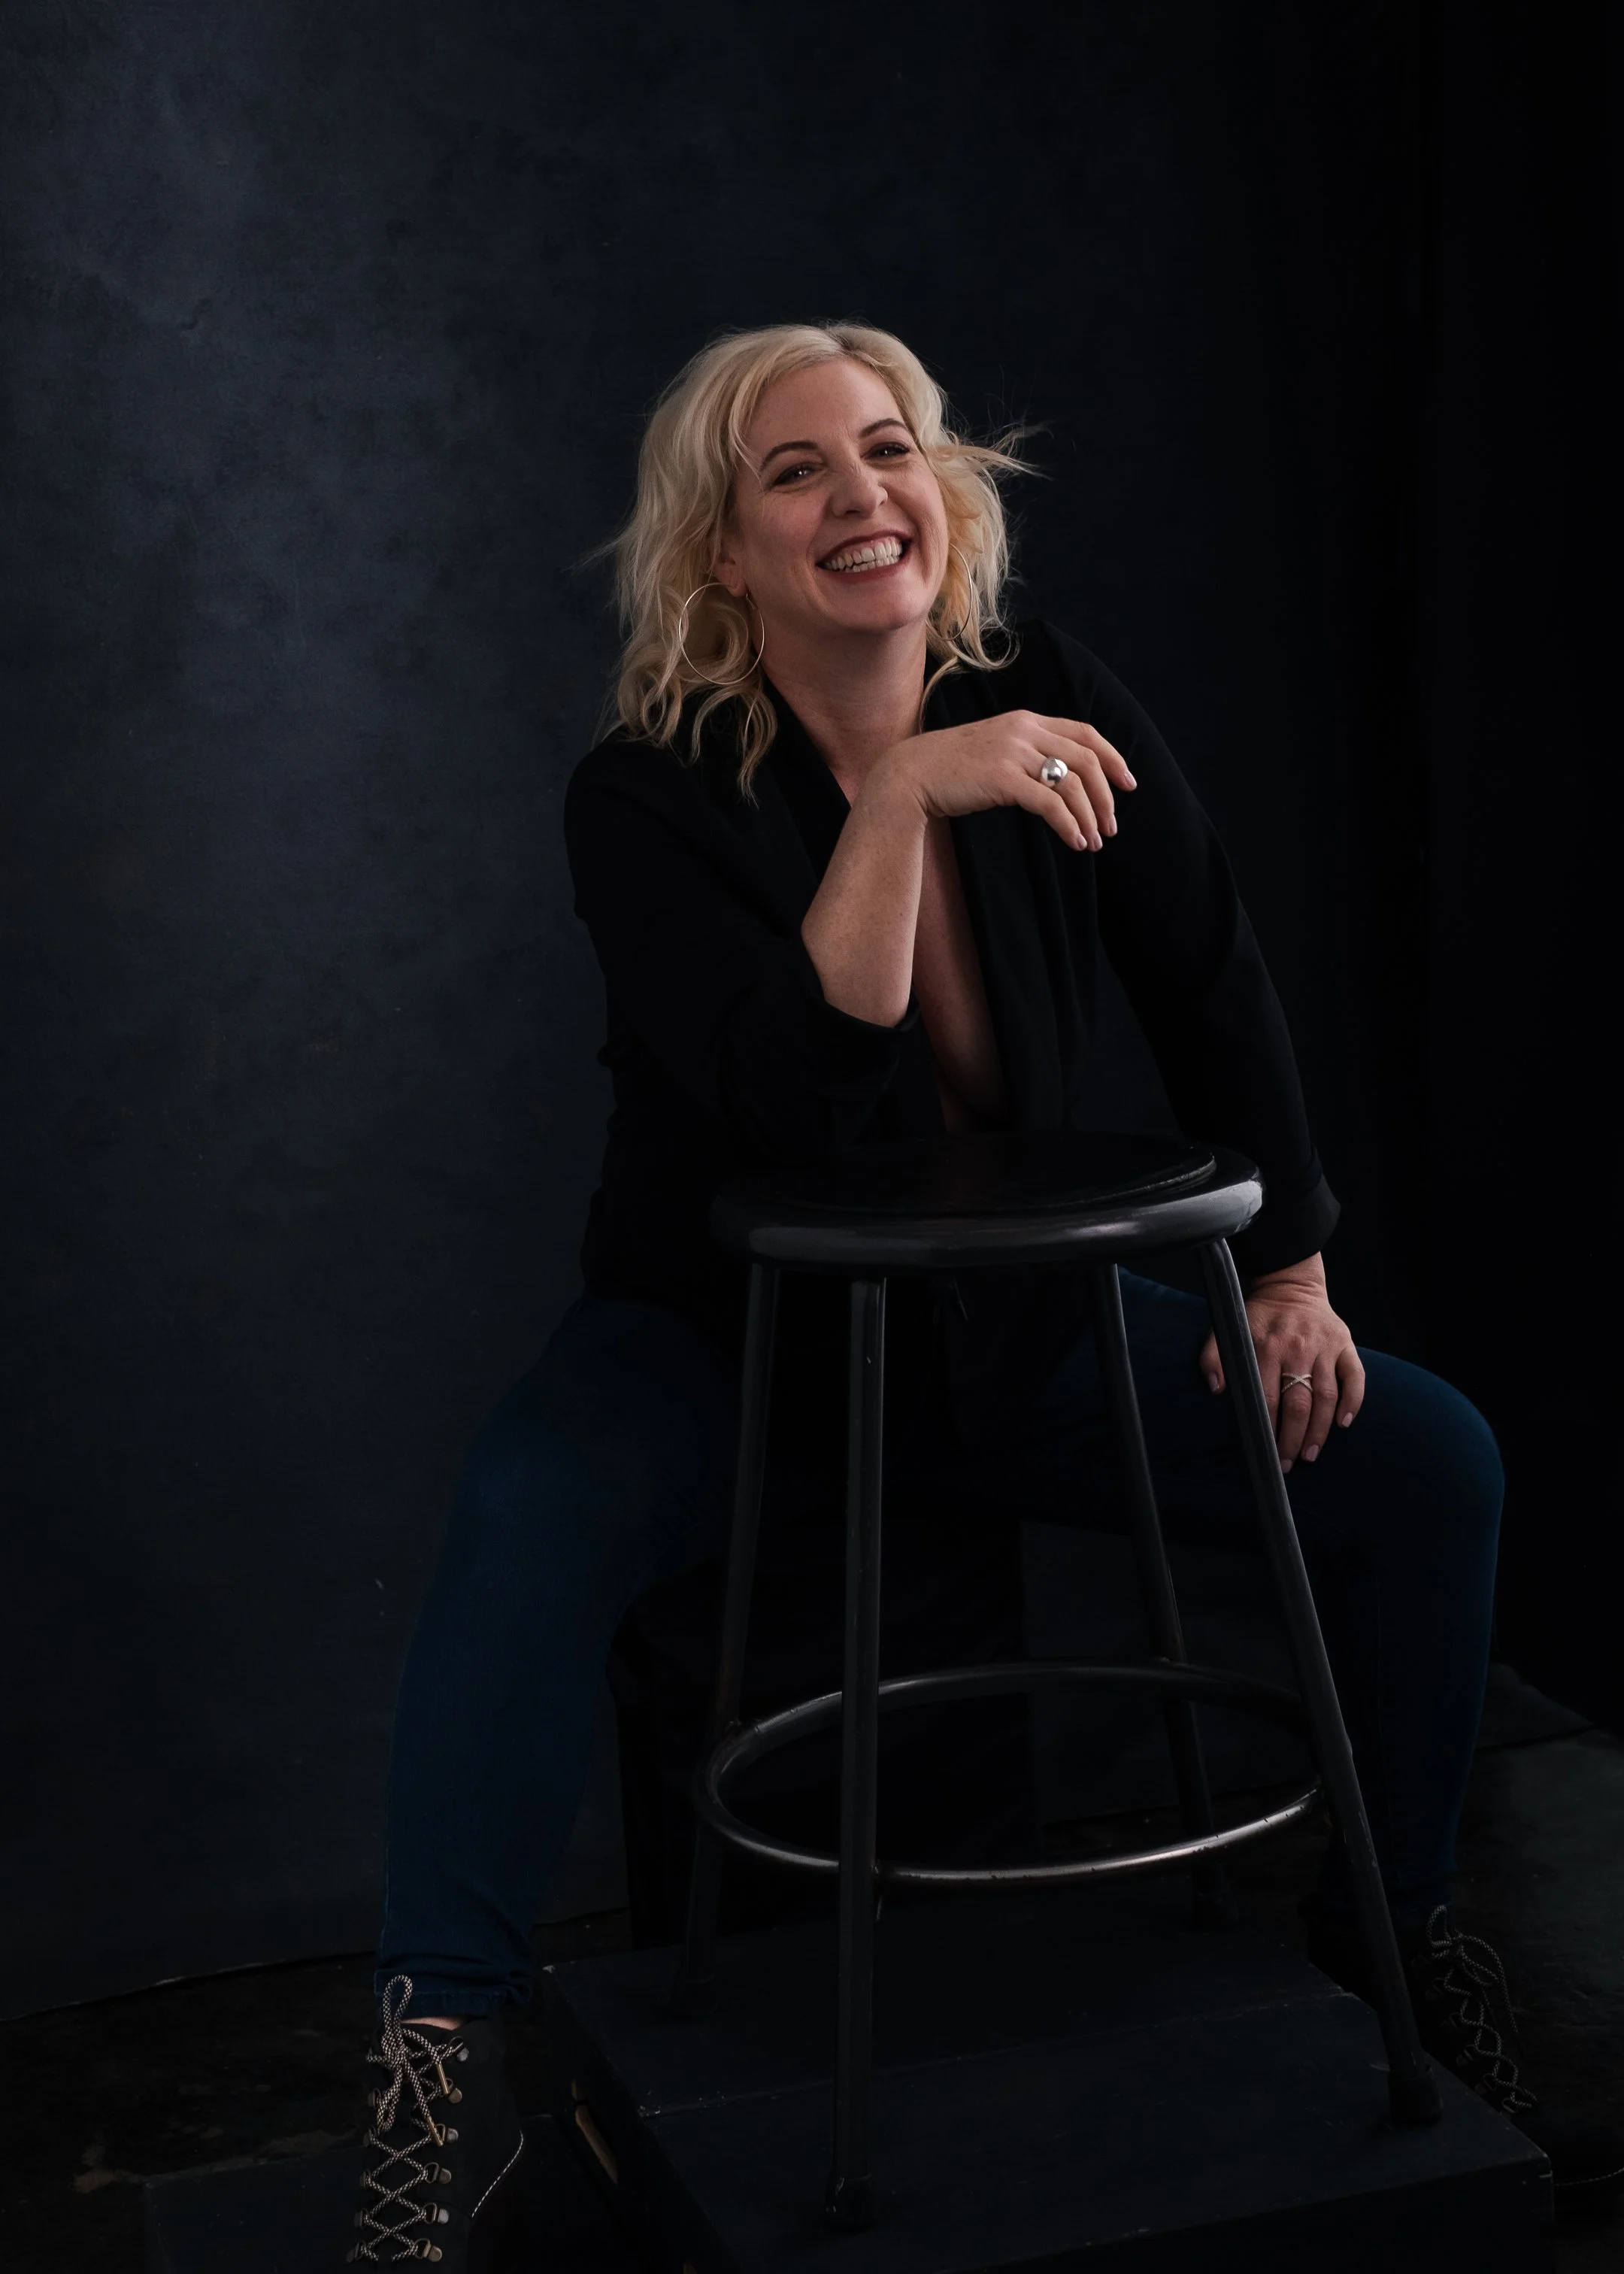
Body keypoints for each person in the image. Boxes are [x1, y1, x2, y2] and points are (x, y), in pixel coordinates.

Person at [339, 323, 1621, 2266]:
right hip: (732, 1355)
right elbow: (806, 1107)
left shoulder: (1051, 696)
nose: (865, 495)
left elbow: (1211, 970)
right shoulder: (647, 796)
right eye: (797, 471)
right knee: (526, 1513)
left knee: (1430, 1463)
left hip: (1014, 1347)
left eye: (891, 449)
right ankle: (433, 2083)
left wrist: (1291, 1272)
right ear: (721, 553)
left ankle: (1399, 1935)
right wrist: (899, 803)